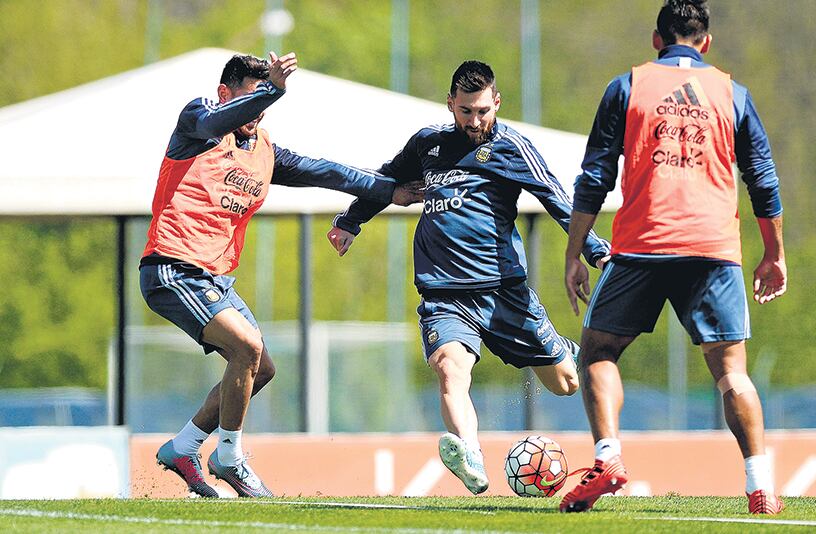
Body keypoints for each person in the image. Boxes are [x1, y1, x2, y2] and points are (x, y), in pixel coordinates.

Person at [142, 52, 422, 498]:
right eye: (251, 100)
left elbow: (329, 172)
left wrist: (391, 191)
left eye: (264, 104)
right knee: (248, 347)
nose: (258, 113)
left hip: (214, 280)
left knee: (262, 368)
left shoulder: (265, 152)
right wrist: (272, 89)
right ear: (225, 94)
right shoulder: (198, 121)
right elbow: (219, 120)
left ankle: (184, 446)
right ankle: (229, 457)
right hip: (172, 268)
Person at [327, 60, 610, 494]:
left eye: (482, 111)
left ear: (497, 102)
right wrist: (351, 221)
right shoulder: (428, 144)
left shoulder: (512, 147)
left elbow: (557, 198)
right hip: (444, 295)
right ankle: (470, 454)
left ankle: (565, 350)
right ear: (450, 104)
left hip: (503, 293)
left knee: (566, 384)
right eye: (465, 111)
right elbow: (386, 180)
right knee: (450, 369)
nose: (474, 121)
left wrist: (595, 249)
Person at [560, 0, 787, 514]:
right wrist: (774, 254)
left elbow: (594, 178)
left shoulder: (627, 86)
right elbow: (763, 180)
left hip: (643, 244)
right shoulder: (733, 93)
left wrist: (575, 251)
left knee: (598, 352)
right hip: (713, 249)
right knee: (731, 372)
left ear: (656, 40)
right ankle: (761, 486)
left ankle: (608, 458)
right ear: (706, 42)